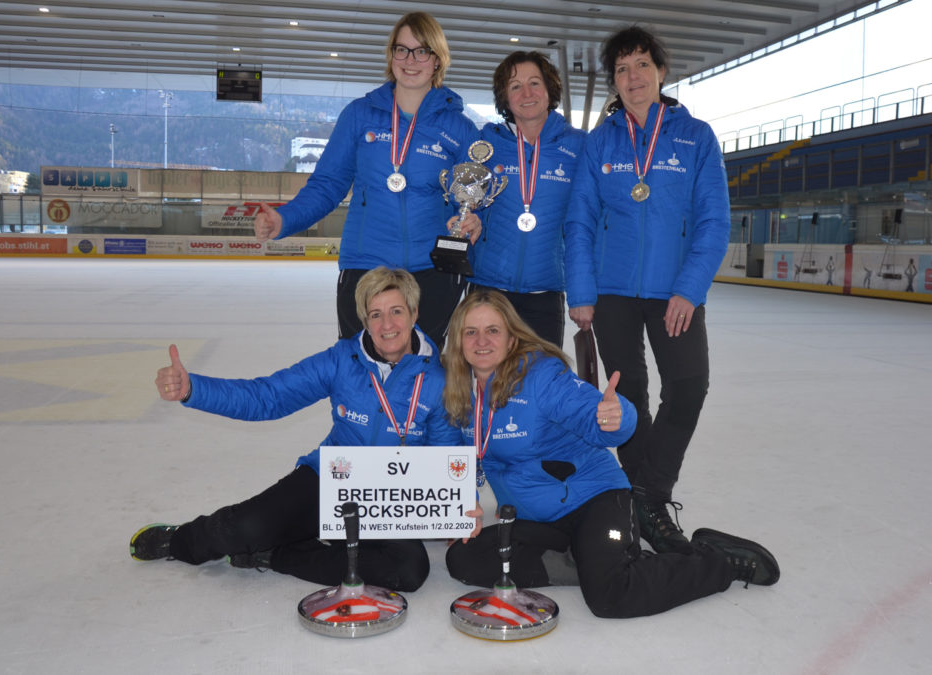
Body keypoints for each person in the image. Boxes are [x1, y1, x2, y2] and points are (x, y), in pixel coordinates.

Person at [441, 291, 777, 618]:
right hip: (537, 518)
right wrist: (463, 505)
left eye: (492, 330)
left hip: (593, 499)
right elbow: (456, 457)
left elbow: (597, 417)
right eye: (471, 332)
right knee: (464, 559)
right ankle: (593, 561)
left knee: (611, 597)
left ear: (511, 339)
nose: (481, 340)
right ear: (459, 340)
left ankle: (717, 562)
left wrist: (614, 418)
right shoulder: (458, 392)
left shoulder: (541, 377)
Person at [131, 268, 459, 591]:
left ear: (414, 314)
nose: (387, 324)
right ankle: (180, 540)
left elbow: (445, 456)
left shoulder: (439, 379)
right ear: (364, 320)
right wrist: (194, 390)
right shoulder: (342, 360)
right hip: (333, 478)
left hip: (391, 496)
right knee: (245, 528)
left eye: (396, 311)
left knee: (408, 570)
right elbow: (268, 397)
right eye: (375, 314)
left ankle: (278, 556)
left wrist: (458, 507)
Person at [564, 26, 729, 553]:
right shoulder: (600, 141)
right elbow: (581, 221)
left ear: (661, 71)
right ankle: (648, 505)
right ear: (613, 81)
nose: (632, 77)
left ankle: (648, 495)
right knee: (628, 394)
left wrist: (690, 288)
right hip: (610, 290)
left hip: (673, 291)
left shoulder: (695, 136)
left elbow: (713, 221)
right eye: (621, 69)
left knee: (688, 386)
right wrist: (582, 292)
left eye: (641, 65)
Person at [252, 12, 481, 347]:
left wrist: (475, 221)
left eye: (422, 51)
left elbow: (473, 201)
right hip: (366, 267)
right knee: (358, 373)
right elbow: (327, 185)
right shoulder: (359, 115)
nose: (410, 60)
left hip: (431, 270)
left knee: (422, 375)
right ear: (391, 56)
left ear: (437, 59)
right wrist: (285, 218)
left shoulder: (461, 129)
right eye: (401, 50)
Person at [467, 51, 585, 348]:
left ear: (550, 89)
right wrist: (470, 219)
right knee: (483, 383)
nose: (527, 93)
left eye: (535, 83)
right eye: (515, 86)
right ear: (504, 97)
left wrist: (582, 292)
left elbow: (583, 223)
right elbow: (468, 201)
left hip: (544, 293)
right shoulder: (485, 143)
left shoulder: (579, 146)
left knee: (541, 385)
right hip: (488, 290)